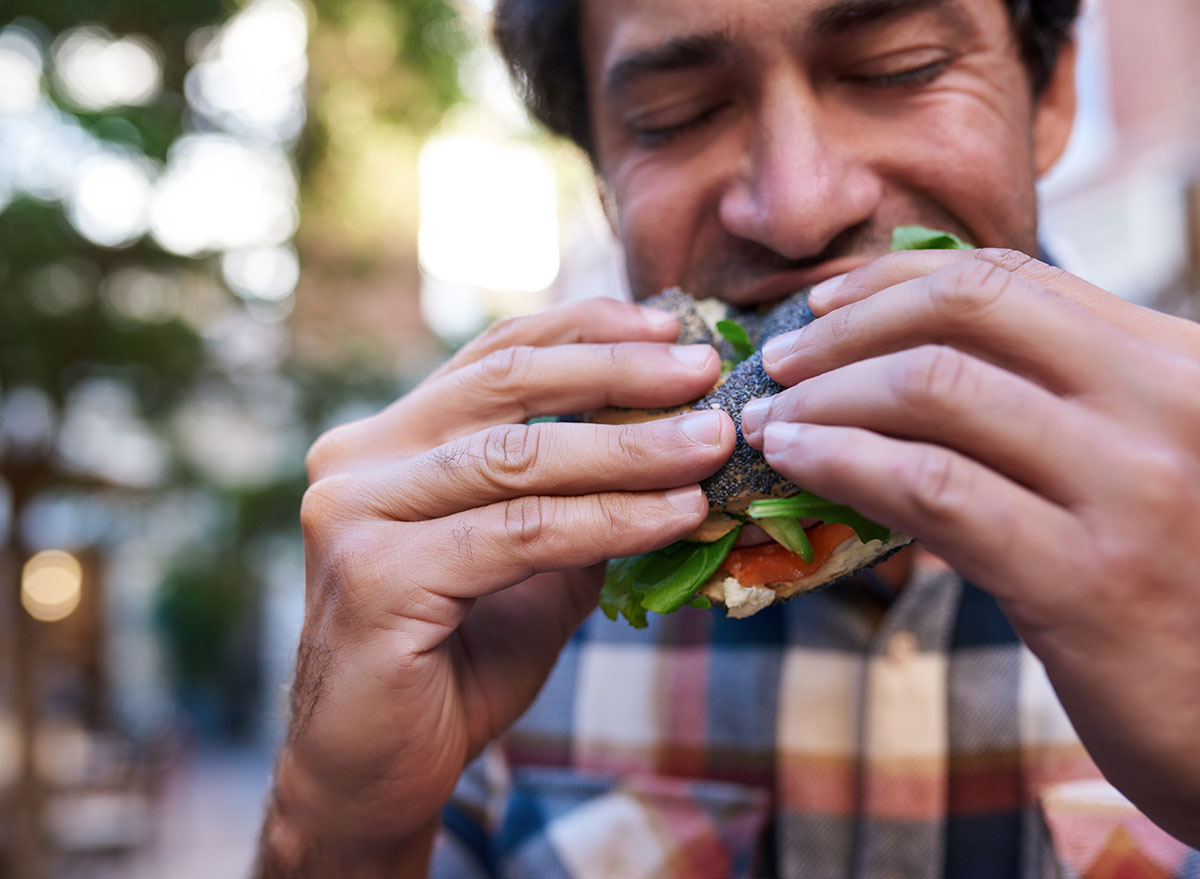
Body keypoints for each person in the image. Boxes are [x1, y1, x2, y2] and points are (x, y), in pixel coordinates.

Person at [254, 0, 1200, 874]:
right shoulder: (494, 595)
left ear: (1051, 94)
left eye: (897, 67)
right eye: (673, 116)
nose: (797, 208)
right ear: (603, 186)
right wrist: (332, 827)